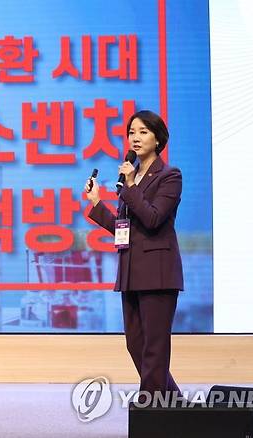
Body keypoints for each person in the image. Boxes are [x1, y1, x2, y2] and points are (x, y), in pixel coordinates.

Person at [84, 110, 183, 401]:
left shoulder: (169, 176)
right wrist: (97, 204)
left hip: (157, 272)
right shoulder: (132, 179)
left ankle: (151, 412)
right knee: (136, 344)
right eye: (131, 132)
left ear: (158, 139)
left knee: (154, 347)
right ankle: (174, 403)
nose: (135, 138)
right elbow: (124, 228)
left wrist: (129, 186)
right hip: (130, 271)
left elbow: (153, 219)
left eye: (143, 132)